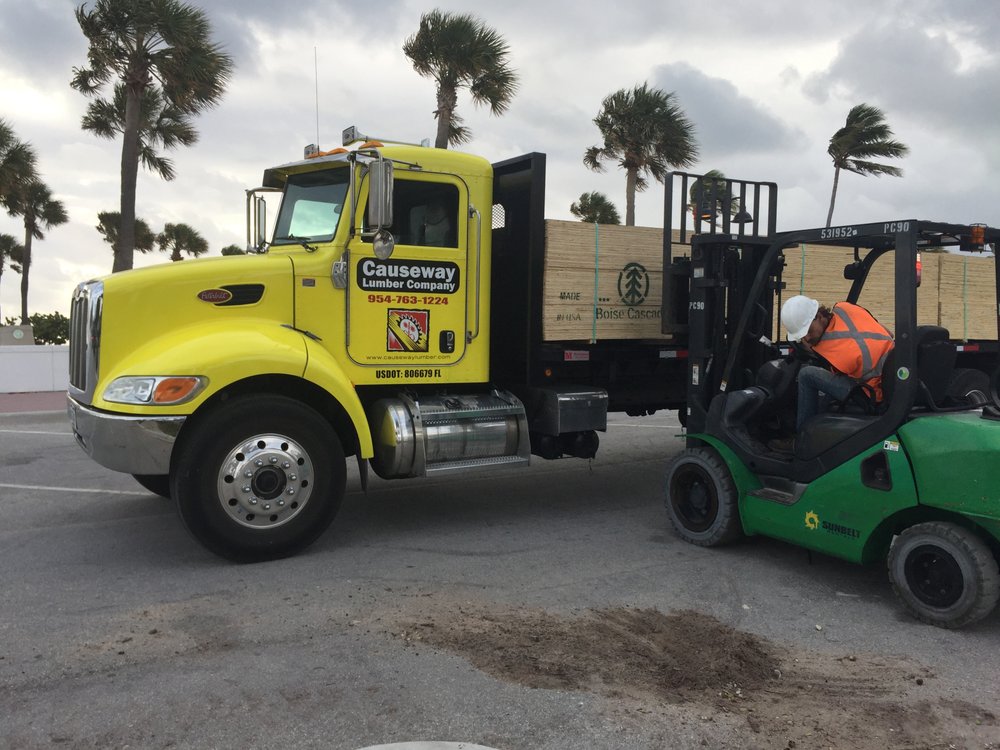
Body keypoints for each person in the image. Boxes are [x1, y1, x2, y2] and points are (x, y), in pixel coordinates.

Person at [780, 295, 895, 432]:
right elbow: (889, 333)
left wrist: (809, 348)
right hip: (891, 372)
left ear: (818, 316)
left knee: (806, 375)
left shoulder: (829, 353)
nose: (807, 338)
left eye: (809, 331)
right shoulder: (846, 308)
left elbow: (835, 373)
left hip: (872, 395)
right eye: (802, 337)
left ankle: (802, 436)